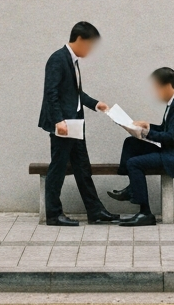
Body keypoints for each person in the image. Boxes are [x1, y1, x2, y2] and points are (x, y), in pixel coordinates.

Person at [38, 22, 122, 227]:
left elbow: (75, 94)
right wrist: (58, 121)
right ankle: (53, 214)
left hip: (75, 124)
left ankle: (95, 211)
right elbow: (52, 93)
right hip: (64, 125)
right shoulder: (58, 59)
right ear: (80, 40)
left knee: (82, 167)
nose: (90, 50)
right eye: (90, 45)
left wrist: (96, 104)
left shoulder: (72, 61)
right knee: (57, 169)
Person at [109, 67, 174, 227]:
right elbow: (166, 130)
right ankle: (132, 189)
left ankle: (145, 214)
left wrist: (145, 132)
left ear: (167, 86)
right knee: (131, 143)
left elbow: (171, 137)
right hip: (172, 149)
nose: (156, 93)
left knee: (134, 163)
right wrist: (147, 126)